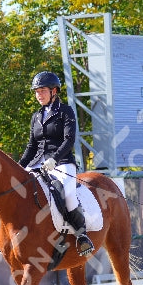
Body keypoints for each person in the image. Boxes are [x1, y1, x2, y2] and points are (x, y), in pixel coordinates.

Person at [18, 71, 94, 256]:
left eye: (42, 90)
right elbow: (31, 146)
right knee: (18, 190)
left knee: (67, 194)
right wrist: (19, 167)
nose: (38, 95)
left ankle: (82, 235)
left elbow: (69, 140)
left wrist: (55, 159)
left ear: (54, 91)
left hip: (62, 162)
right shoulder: (36, 116)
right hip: (37, 163)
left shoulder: (66, 112)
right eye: (36, 91)